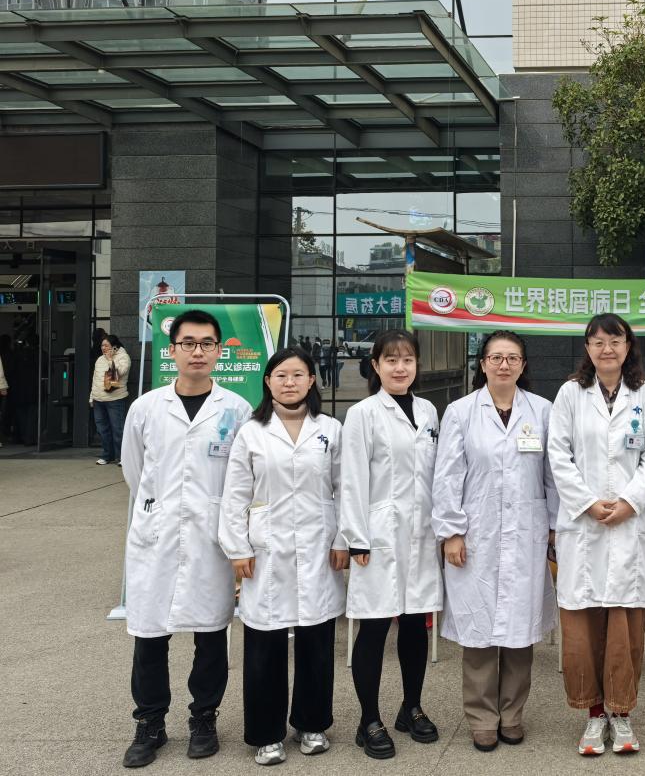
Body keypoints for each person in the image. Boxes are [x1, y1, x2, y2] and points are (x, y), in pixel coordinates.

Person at [118, 310, 252, 768]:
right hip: (156, 534)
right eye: (188, 343)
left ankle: (203, 719)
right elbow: (134, 470)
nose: (198, 352)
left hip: (210, 537)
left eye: (207, 344)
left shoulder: (236, 409)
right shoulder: (145, 408)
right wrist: (160, 509)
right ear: (172, 350)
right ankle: (150, 723)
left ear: (219, 351)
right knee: (149, 635)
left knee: (211, 634)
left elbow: (241, 479)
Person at [218, 347, 347, 765]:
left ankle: (312, 723)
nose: (289, 382)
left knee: (316, 641)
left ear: (312, 380)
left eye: (298, 375)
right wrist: (237, 548)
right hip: (266, 549)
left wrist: (343, 539)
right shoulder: (251, 432)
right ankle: (266, 733)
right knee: (264, 645)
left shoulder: (330, 429)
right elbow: (235, 494)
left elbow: (345, 487)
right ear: (268, 382)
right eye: (281, 375)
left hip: (318, 545)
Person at [433, 331, 557, 752]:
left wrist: (554, 527)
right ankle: (482, 717)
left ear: (523, 365)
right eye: (496, 357)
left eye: (512, 358)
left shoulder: (542, 410)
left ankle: (513, 714)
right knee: (479, 632)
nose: (504, 365)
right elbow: (447, 476)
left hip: (526, 534)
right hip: (476, 535)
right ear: (483, 363)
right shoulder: (461, 412)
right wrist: (451, 531)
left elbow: (552, 476)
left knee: (521, 631)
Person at [547, 313, 645, 756]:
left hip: (630, 524)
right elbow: (558, 455)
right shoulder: (570, 394)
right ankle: (594, 716)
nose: (607, 349)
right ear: (587, 348)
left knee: (626, 628)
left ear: (628, 346)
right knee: (583, 626)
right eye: (597, 342)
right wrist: (588, 503)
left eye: (615, 340)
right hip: (584, 523)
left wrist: (630, 501)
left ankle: (622, 713)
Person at [340, 330, 444, 760]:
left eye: (407, 360)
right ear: (376, 366)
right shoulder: (362, 414)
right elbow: (351, 478)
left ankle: (410, 707)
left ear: (417, 365)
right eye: (391, 360)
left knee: (416, 621)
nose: (400, 368)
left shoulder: (428, 410)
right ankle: (369, 719)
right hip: (378, 534)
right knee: (375, 625)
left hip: (420, 533)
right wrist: (356, 538)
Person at [91, 334, 131, 466]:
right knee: (102, 429)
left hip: (115, 399)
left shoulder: (123, 357)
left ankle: (122, 457)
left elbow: (120, 372)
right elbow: (95, 380)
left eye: (106, 345)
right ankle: (107, 455)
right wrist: (92, 396)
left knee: (118, 429)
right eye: (102, 345)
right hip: (98, 399)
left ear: (114, 347)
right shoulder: (99, 359)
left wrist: (110, 360)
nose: (103, 348)